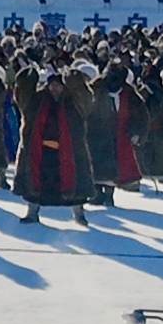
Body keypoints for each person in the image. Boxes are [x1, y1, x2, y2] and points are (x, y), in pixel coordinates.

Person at [14, 64, 94, 225]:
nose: (55, 88)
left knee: (75, 186)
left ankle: (79, 215)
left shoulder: (74, 103)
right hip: (40, 150)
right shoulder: (36, 101)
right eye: (52, 85)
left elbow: (86, 99)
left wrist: (76, 82)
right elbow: (22, 97)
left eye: (58, 85)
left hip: (70, 150)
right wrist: (26, 80)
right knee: (34, 184)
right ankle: (32, 213)